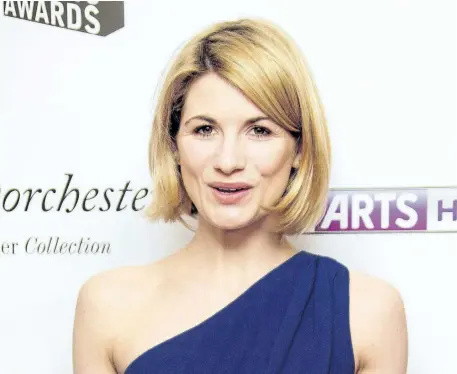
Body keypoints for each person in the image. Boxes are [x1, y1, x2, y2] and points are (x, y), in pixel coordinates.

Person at [72, 17, 408, 374]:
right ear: (173, 146)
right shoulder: (108, 305)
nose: (228, 161)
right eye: (204, 129)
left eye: (259, 130)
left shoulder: (368, 311)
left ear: (299, 150)